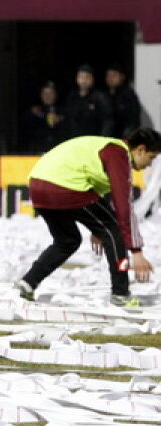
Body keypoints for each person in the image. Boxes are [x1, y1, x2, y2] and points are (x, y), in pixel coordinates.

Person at [15, 127, 161, 307]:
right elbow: (124, 206)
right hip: (66, 187)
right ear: (140, 149)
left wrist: (97, 228)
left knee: (67, 241)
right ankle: (121, 294)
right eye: (151, 157)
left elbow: (99, 194)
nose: (149, 164)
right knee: (114, 231)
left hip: (37, 186)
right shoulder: (118, 154)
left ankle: (27, 283)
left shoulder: (104, 148)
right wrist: (136, 251)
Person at [62, 63, 113, 139]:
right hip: (74, 141)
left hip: (93, 141)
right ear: (77, 79)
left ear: (92, 79)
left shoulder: (100, 97)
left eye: (87, 77)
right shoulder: (72, 97)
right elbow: (67, 119)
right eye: (81, 77)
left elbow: (108, 121)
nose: (84, 81)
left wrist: (102, 140)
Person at [23, 80, 65, 154]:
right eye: (45, 93)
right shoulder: (35, 110)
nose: (47, 96)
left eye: (50, 93)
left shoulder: (63, 110)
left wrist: (59, 119)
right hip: (38, 150)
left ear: (55, 95)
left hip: (57, 150)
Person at [105, 63, 142, 138]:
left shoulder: (128, 95)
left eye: (114, 75)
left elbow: (133, 121)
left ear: (122, 77)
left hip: (122, 138)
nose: (110, 78)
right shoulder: (104, 95)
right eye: (108, 76)